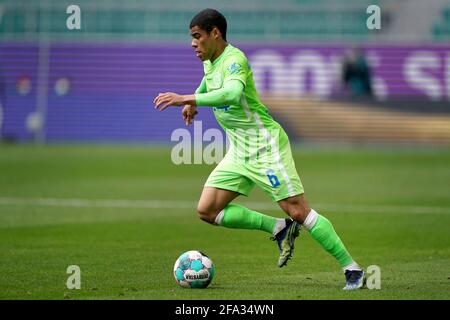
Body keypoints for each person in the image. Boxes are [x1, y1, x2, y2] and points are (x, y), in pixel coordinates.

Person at [154, 8, 365, 290]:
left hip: (264, 146)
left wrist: (185, 98)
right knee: (207, 210)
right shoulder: (210, 59)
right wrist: (195, 101)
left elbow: (231, 93)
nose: (193, 43)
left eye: (197, 37)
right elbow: (209, 79)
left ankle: (353, 270)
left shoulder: (234, 60)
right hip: (240, 149)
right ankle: (278, 228)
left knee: (299, 211)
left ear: (215, 34)